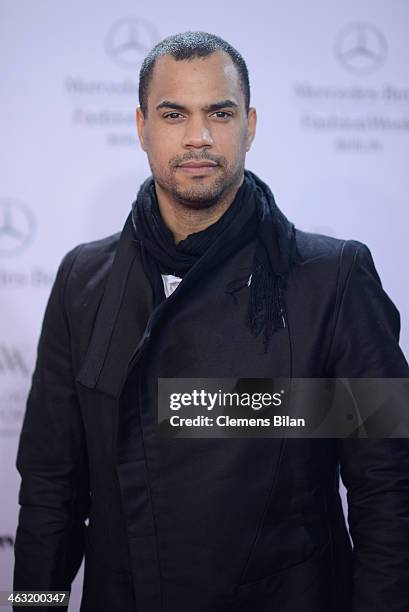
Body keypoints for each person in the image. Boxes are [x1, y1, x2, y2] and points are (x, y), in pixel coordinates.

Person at [14, 31, 409, 612]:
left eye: (218, 113)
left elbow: (388, 490)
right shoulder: (83, 279)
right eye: (174, 114)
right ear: (142, 127)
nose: (198, 137)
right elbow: (51, 492)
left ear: (248, 125)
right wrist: (32, 606)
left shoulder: (332, 278)